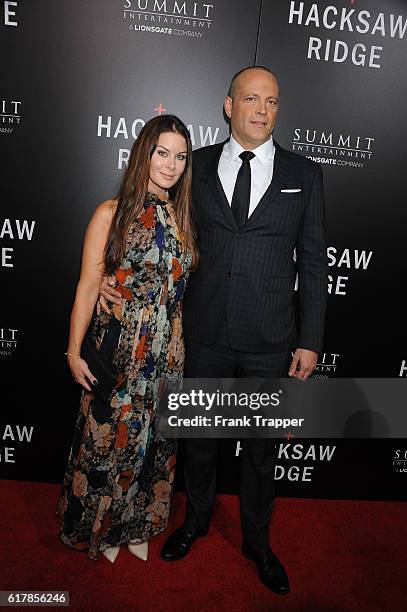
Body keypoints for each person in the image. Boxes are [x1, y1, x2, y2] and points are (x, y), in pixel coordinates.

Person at [101, 66, 327, 593]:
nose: (261, 109)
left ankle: (257, 541)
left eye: (271, 101)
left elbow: (313, 263)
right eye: (250, 98)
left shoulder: (306, 173)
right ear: (229, 106)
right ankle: (197, 521)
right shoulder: (193, 167)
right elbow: (150, 231)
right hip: (200, 334)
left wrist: (310, 339)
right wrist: (112, 281)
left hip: (271, 339)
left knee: (262, 448)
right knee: (199, 440)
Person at [57, 115, 197, 564]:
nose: (171, 165)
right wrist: (74, 350)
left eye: (180, 156)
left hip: (168, 349)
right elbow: (86, 285)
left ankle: (136, 524)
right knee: (107, 439)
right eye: (162, 153)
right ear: (143, 153)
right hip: (121, 346)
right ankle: (99, 526)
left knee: (153, 441)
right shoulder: (110, 212)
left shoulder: (184, 217)